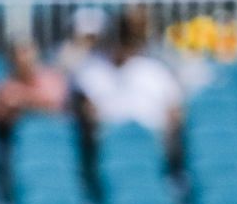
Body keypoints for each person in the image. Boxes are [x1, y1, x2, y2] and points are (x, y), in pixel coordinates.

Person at [74, 8, 185, 141]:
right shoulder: (92, 69)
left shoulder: (154, 70)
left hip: (150, 143)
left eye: (126, 38)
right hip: (108, 144)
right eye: (117, 38)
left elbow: (175, 109)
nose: (120, 45)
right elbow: (86, 108)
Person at [0, 39, 69, 128]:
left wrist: (23, 100)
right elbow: (1, 110)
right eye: (19, 53)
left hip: (52, 130)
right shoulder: (7, 83)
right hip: (19, 133)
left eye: (27, 52)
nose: (25, 58)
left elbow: (55, 102)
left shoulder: (51, 77)